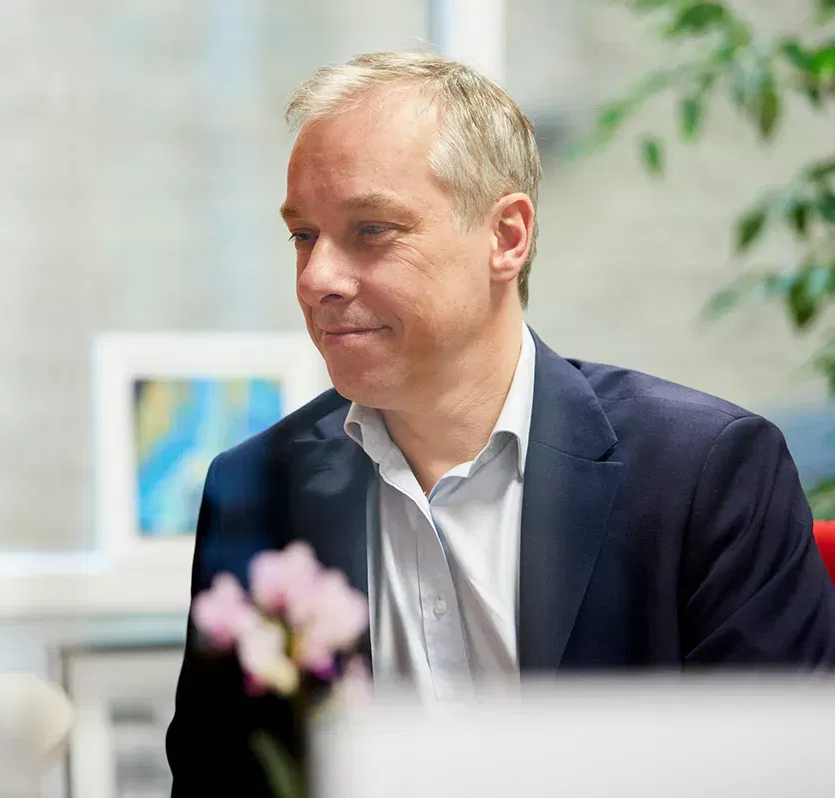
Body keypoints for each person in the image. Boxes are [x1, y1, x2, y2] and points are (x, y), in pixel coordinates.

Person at [165, 50, 835, 797]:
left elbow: (776, 779)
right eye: (303, 236)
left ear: (507, 237)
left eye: (372, 230)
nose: (317, 278)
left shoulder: (707, 476)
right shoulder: (257, 488)